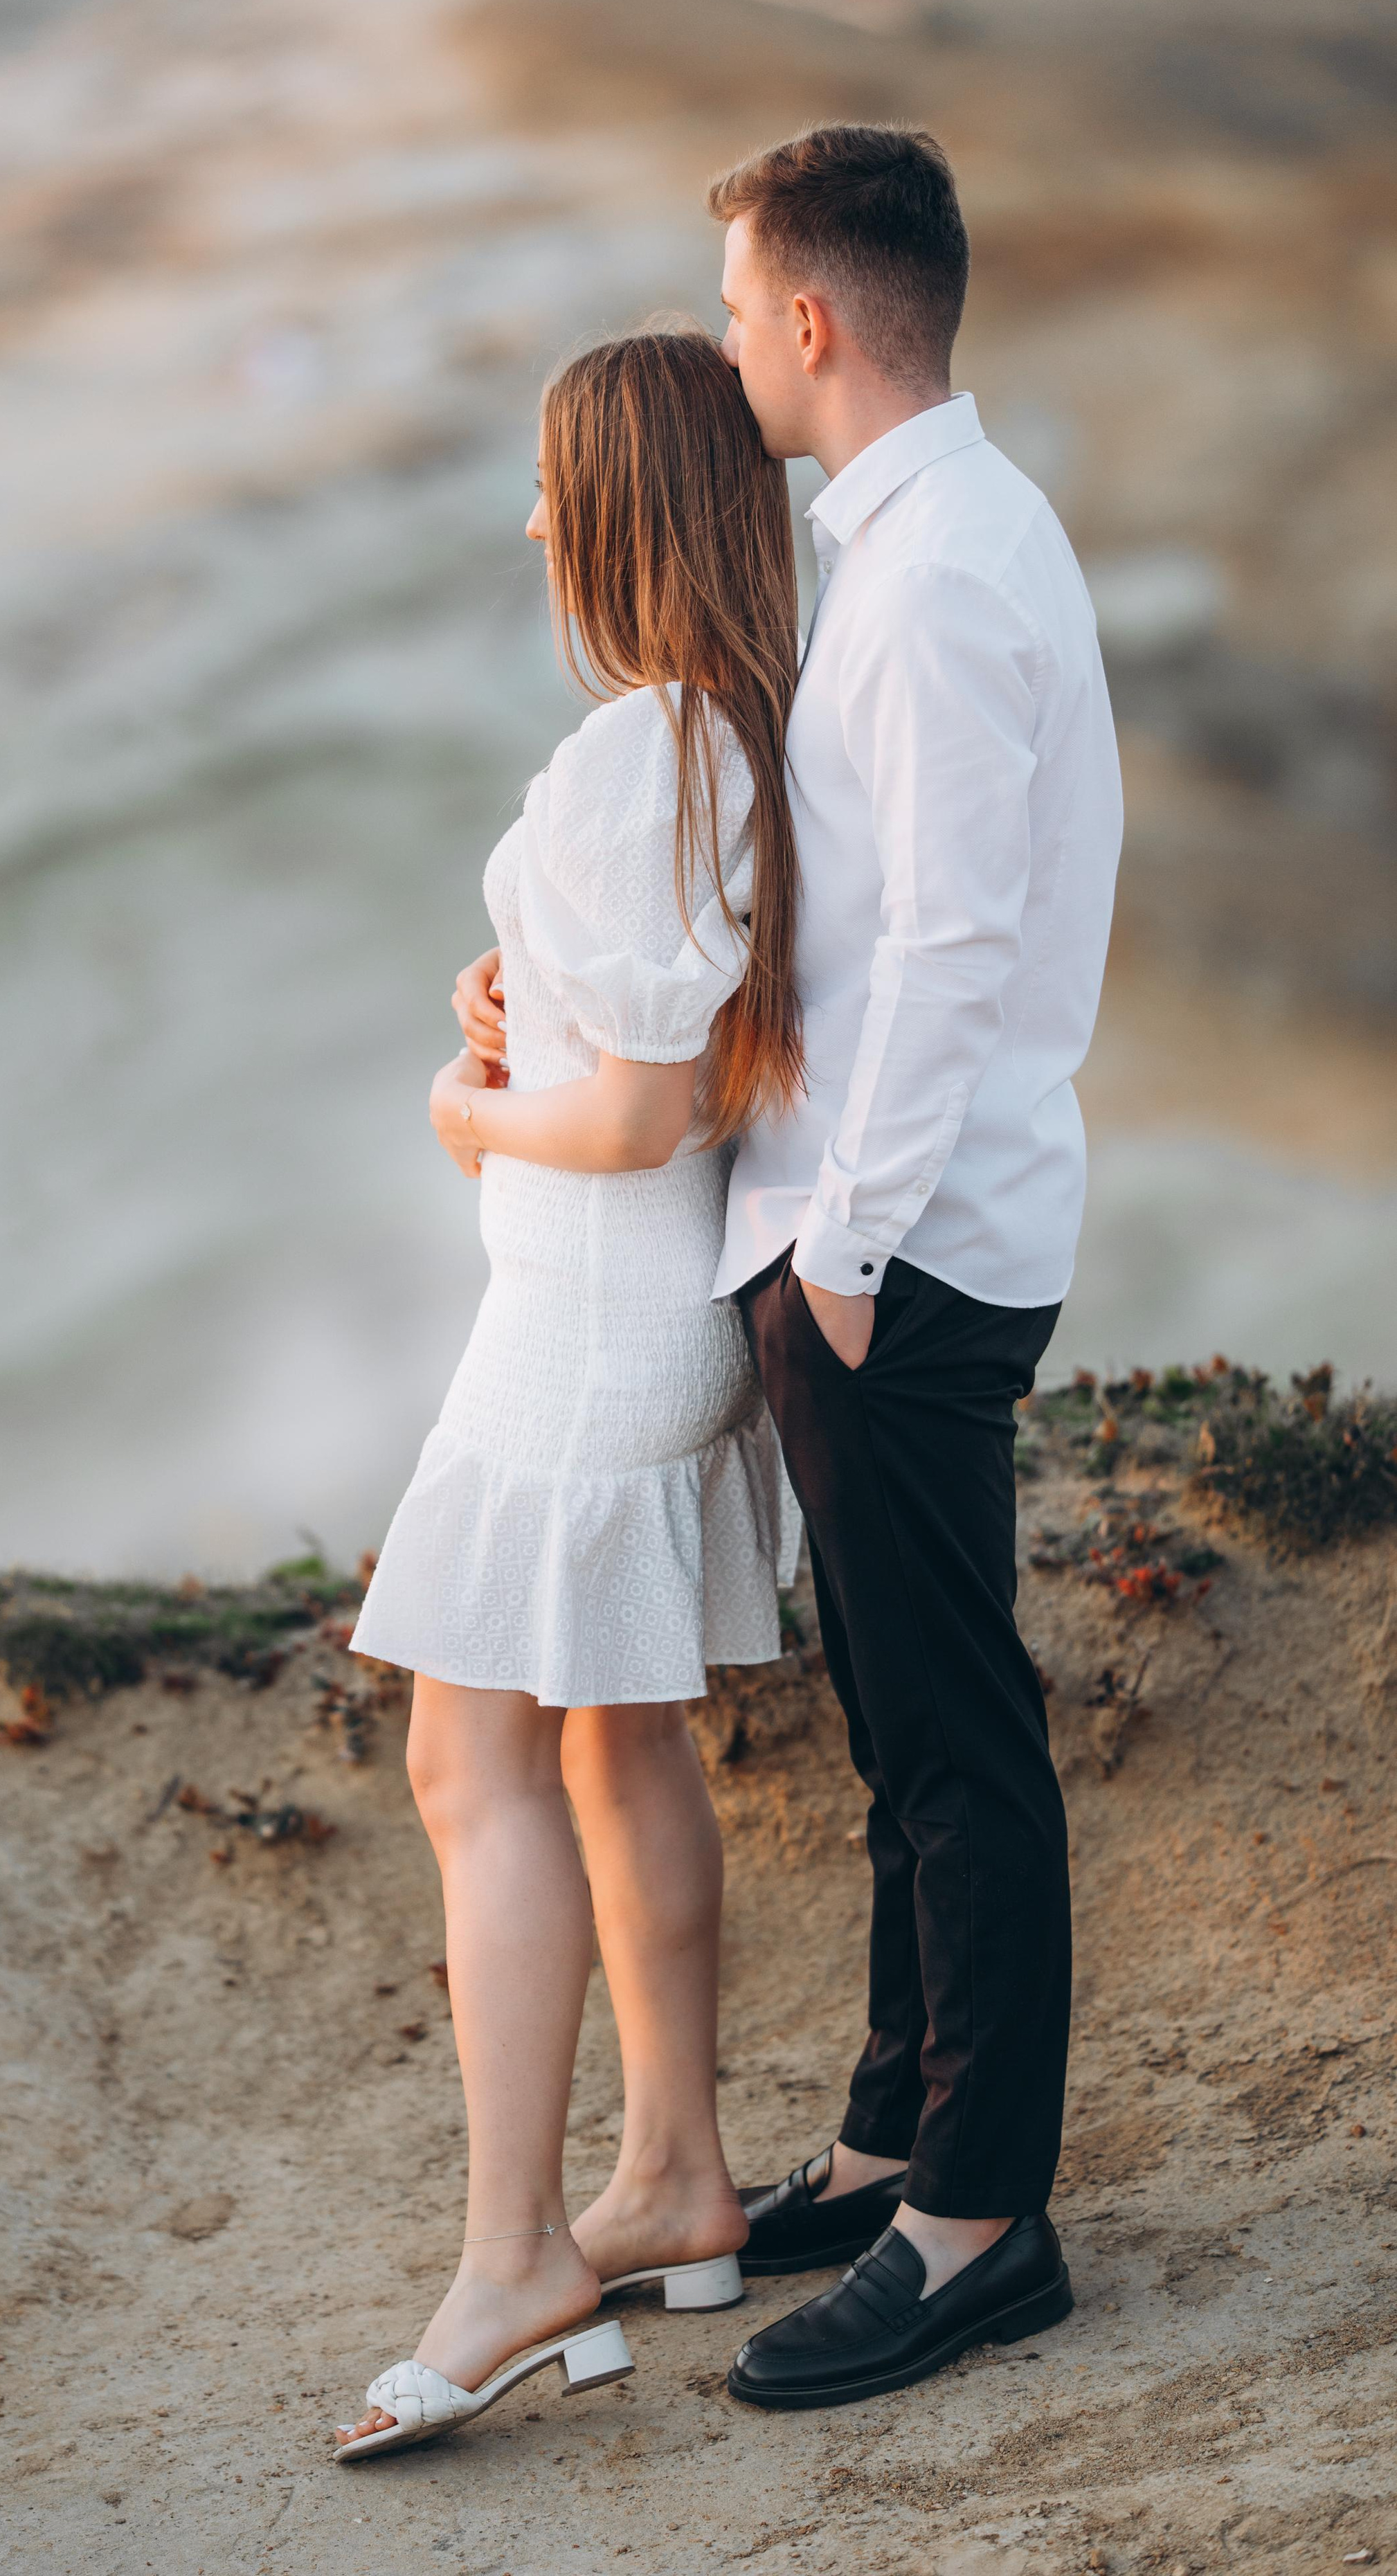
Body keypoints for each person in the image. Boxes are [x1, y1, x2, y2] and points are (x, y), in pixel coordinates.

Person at [464, 120, 1124, 2412]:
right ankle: (887, 2130)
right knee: (898, 1731)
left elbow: (942, 952)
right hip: (891, 1225)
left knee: (955, 1746)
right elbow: (849, 913)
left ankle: (977, 2223)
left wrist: (837, 1251)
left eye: (740, 304)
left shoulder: (938, 579)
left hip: (902, 1245)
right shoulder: (932, 539)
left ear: (815, 321)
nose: (730, 336)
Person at [333, 324, 804, 2460]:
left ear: (613, 509)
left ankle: (521, 2250)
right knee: (614, 1749)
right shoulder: (738, 739)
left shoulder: (634, 751)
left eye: (551, 486)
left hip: (585, 1322)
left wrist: (470, 1108)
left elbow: (627, 1114)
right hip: (668, 1323)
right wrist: (528, 1025)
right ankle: (678, 2180)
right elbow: (669, 1047)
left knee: (470, 1765)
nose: (529, 521)